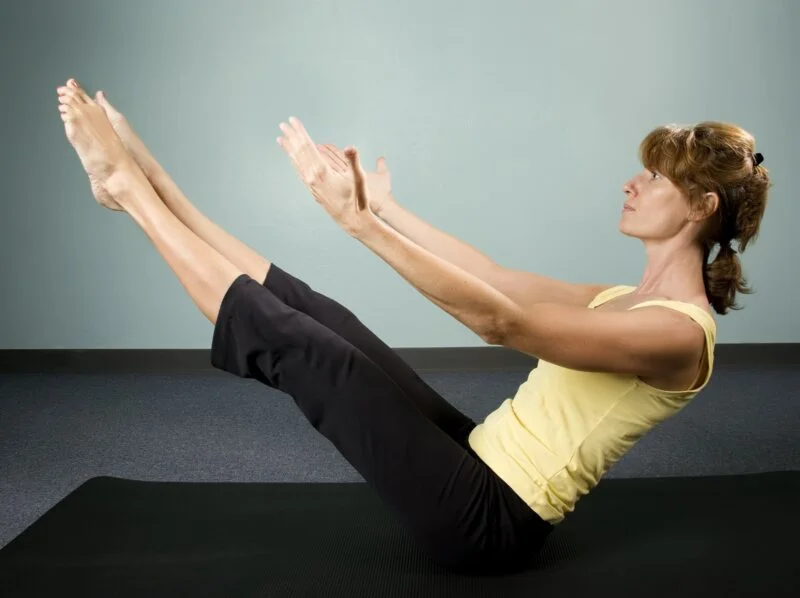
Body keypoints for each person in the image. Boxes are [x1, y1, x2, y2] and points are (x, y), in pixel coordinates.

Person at [56, 78, 771, 575]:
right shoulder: (623, 296)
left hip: (489, 523)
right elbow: (496, 278)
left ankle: (127, 192)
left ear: (701, 206)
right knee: (326, 319)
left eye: (654, 178)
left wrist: (361, 227)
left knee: (312, 356)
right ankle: (151, 183)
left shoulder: (681, 336)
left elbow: (499, 319)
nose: (632, 183)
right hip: (477, 455)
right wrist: (385, 208)